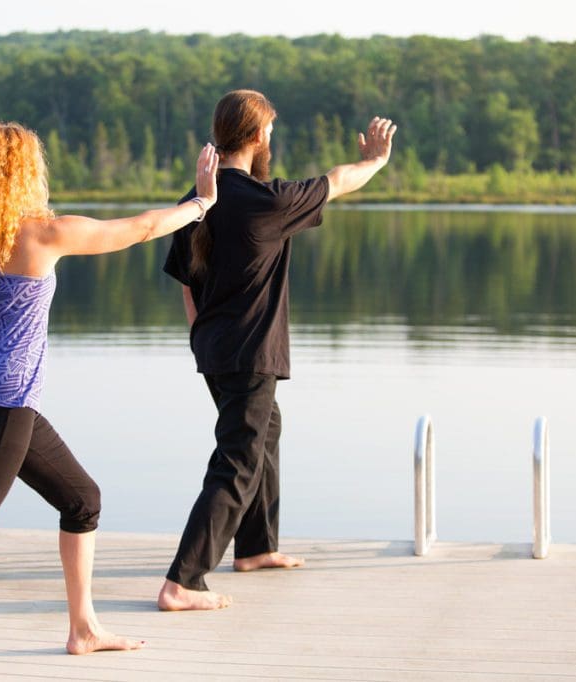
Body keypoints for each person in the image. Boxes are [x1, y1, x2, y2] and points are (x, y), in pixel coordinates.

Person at [0, 122, 218, 681]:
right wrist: (200, 204)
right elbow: (143, 227)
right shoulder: (43, 235)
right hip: (4, 413)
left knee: (82, 500)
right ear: (27, 174)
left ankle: (83, 629)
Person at [158, 89, 397, 611]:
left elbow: (184, 284)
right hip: (248, 354)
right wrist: (374, 161)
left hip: (215, 350)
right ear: (258, 134)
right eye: (271, 129)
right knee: (237, 461)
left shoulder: (195, 198)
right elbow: (337, 181)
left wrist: (203, 343)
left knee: (264, 432)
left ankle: (255, 547)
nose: (273, 137)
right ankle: (184, 580)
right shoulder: (266, 202)